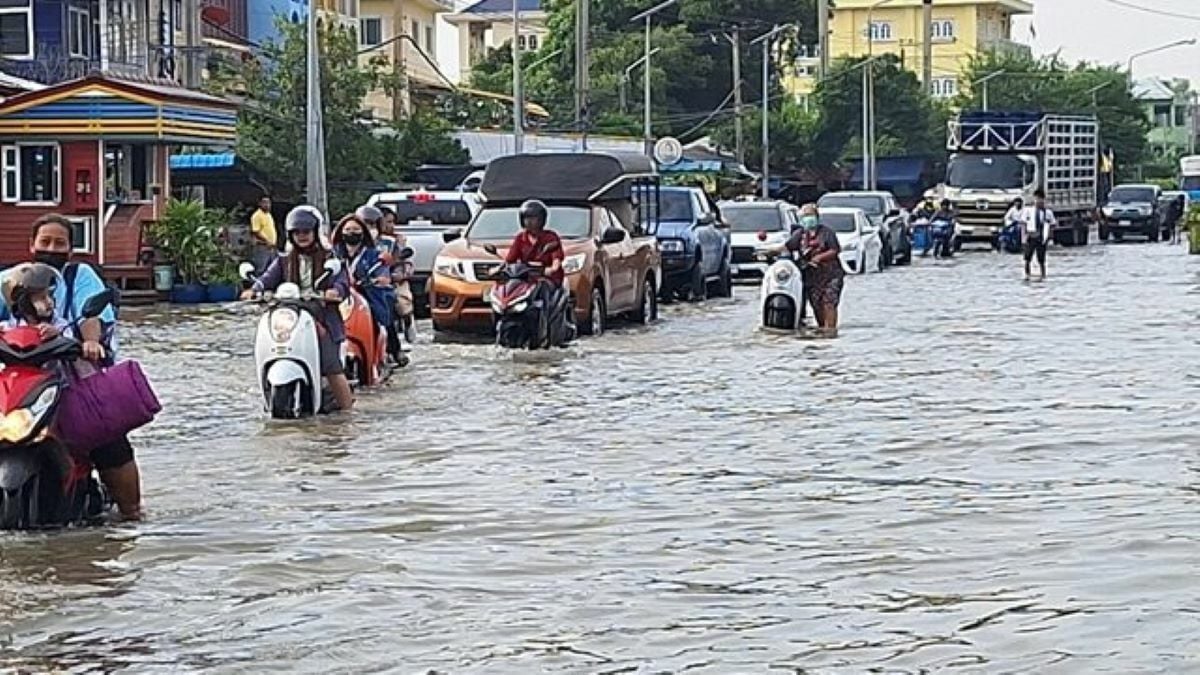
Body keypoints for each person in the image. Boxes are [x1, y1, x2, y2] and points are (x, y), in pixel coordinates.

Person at [0, 214, 142, 520]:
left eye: (59, 242)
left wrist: (89, 343)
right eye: (45, 242)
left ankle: (133, 513)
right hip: (16, 382)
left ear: (70, 247)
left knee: (107, 440)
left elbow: (91, 313)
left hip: (70, 378)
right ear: (32, 244)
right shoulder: (12, 279)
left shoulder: (80, 276)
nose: (51, 248)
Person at [243, 206, 355, 412]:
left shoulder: (331, 259)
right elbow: (267, 278)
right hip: (290, 315)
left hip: (321, 317)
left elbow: (343, 282)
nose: (302, 236)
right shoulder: (284, 260)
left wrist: (335, 291)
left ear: (315, 232)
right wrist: (255, 289)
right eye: (297, 233)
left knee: (331, 367)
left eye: (306, 232)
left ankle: (348, 416)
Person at [331, 212, 394, 343]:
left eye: (355, 230)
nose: (351, 233)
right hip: (340, 294)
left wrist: (378, 279)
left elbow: (383, 273)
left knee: (379, 313)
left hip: (366, 293)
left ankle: (392, 347)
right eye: (347, 230)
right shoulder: (333, 253)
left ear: (363, 232)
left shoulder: (373, 254)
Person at [786, 204, 843, 334]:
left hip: (831, 274)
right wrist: (771, 251)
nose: (808, 218)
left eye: (810, 215)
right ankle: (822, 329)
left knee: (829, 302)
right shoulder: (799, 235)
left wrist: (820, 257)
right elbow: (788, 247)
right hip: (811, 276)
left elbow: (835, 250)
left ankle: (831, 331)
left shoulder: (827, 233)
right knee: (816, 305)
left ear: (817, 217)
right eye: (805, 216)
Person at [504, 200, 566, 320]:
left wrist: (552, 268)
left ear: (541, 220)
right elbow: (510, 259)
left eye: (533, 218)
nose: (530, 222)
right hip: (526, 279)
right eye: (526, 218)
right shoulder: (520, 239)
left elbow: (556, 258)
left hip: (546, 278)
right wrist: (498, 269)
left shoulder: (550, 237)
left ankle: (545, 321)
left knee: (542, 289)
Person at [375, 205, 417, 360]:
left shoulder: (397, 241)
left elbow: (407, 261)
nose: (390, 226)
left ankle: (404, 328)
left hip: (394, 280)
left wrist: (398, 274)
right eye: (387, 222)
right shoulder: (363, 241)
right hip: (367, 283)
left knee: (400, 303)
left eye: (392, 222)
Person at [1020, 188, 1056, 280]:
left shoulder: (1048, 212)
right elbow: (1023, 224)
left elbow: (1052, 224)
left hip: (1041, 237)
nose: (1039, 201)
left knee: (1041, 258)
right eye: (1037, 199)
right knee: (1027, 258)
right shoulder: (1028, 210)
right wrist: (1023, 237)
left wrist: (1049, 237)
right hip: (1030, 236)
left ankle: (1043, 275)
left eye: (1041, 199)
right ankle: (1027, 275)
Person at [250, 195, 278, 273]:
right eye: (264, 202)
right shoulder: (256, 216)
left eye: (269, 203)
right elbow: (256, 231)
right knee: (261, 269)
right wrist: (267, 241)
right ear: (260, 204)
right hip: (262, 247)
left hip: (271, 247)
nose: (267, 205)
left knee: (272, 269)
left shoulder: (268, 215)